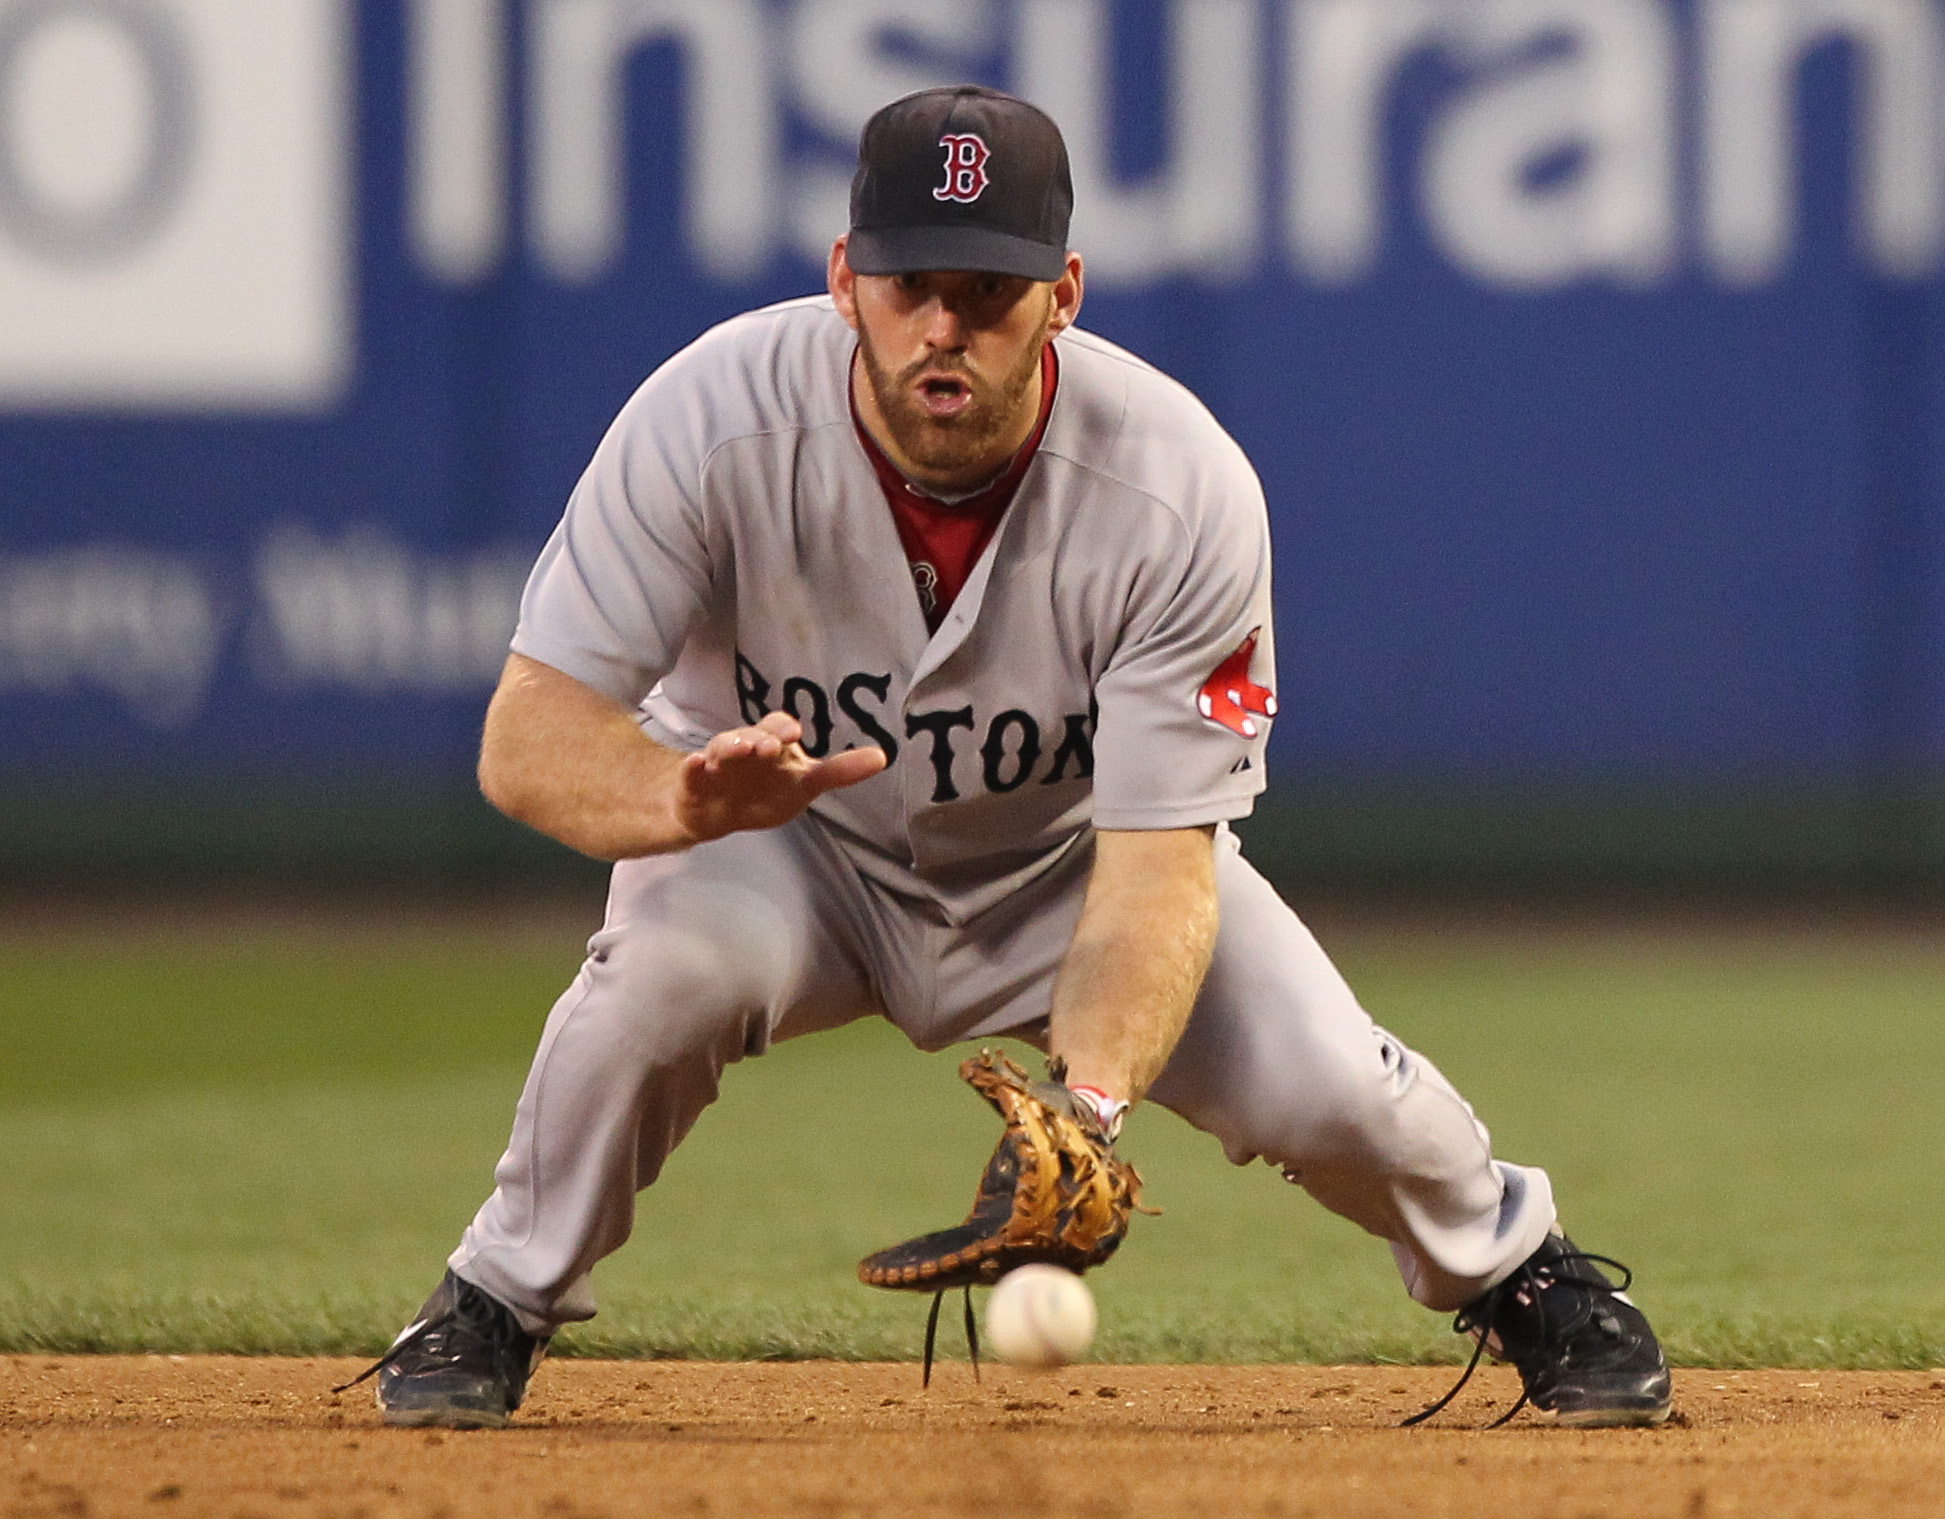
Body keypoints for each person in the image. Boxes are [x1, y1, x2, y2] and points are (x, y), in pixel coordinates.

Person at [347, 84, 1671, 1431]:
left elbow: (1159, 862)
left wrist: (1086, 1113)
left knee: (1329, 1084)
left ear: (1064, 295)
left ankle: (1524, 1274)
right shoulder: (709, 420)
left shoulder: (1176, 487)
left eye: (986, 290)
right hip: (783, 848)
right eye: (906, 282)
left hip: (1063, 867)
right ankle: (490, 1302)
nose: (942, 327)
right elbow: (527, 743)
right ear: (842, 282)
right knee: (662, 978)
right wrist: (676, 795)